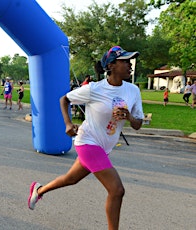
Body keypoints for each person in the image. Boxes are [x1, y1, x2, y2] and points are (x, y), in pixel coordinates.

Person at [28, 46, 144, 230]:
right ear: (112, 65)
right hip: (87, 142)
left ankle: (38, 190)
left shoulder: (133, 91)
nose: (130, 65)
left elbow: (138, 125)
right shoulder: (94, 89)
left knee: (71, 179)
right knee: (117, 190)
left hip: (104, 147)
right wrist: (68, 124)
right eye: (125, 61)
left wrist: (129, 116)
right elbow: (64, 99)